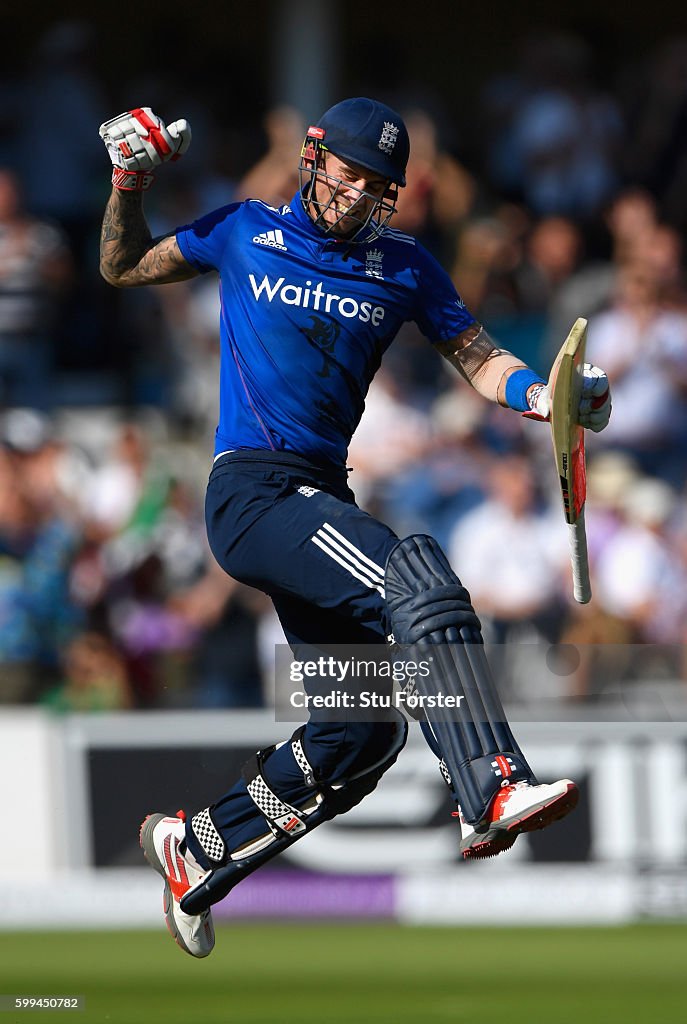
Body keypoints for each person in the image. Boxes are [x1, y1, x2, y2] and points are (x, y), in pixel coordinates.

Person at [98, 98, 612, 958]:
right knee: (416, 571)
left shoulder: (403, 264)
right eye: (346, 172)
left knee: (360, 733)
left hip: (318, 497)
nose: (356, 193)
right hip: (251, 494)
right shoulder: (242, 229)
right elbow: (120, 265)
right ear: (311, 158)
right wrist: (129, 181)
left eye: (377, 186)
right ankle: (488, 784)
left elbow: (479, 357)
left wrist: (547, 397)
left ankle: (198, 849)